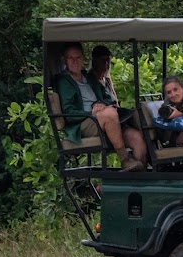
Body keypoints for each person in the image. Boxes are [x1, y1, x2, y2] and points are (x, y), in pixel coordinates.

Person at [54, 43, 148, 171]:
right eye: (71, 58)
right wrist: (91, 111)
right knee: (109, 114)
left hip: (104, 119)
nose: (75, 61)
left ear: (83, 59)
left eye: (78, 58)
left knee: (136, 137)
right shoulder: (64, 81)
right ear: (64, 60)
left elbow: (108, 98)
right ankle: (125, 159)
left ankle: (139, 179)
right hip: (83, 122)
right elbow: (69, 113)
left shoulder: (88, 77)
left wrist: (102, 104)